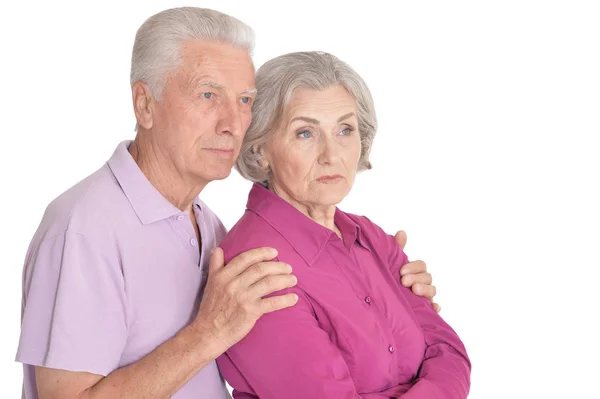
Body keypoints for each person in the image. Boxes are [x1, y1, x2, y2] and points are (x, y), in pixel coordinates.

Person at [15, 7, 438, 399]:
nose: (232, 123)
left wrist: (386, 298)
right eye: (207, 95)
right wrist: (209, 333)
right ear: (145, 104)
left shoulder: (209, 226)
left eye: (244, 101)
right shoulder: (85, 229)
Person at [216, 51, 471, 398]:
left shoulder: (373, 238)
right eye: (305, 133)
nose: (331, 154)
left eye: (345, 130)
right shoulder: (256, 266)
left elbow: (451, 354)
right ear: (260, 148)